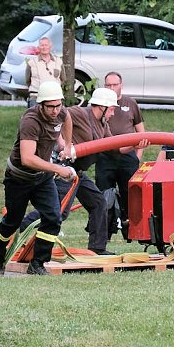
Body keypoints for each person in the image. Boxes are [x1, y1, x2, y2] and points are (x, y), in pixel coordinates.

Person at [0, 81, 75, 277]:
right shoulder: (31, 121)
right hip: (19, 178)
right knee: (12, 221)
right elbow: (28, 159)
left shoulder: (61, 111)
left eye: (58, 105)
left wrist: (67, 145)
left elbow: (67, 119)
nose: (55, 111)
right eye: (50, 107)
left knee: (53, 217)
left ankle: (37, 264)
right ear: (41, 105)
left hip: (42, 177)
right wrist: (57, 169)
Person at [55, 87, 117, 255]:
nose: (113, 113)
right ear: (102, 107)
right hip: (65, 171)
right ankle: (19, 228)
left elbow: (114, 147)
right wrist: (64, 145)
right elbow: (57, 117)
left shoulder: (103, 125)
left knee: (98, 202)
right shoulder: (80, 113)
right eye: (111, 109)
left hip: (78, 173)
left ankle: (97, 249)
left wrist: (136, 143)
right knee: (57, 211)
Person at [96, 71, 148, 234]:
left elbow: (141, 133)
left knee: (130, 195)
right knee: (104, 194)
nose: (111, 87)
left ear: (121, 85)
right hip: (105, 156)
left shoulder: (130, 103)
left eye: (114, 84)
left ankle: (131, 230)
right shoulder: (100, 104)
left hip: (128, 156)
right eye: (108, 85)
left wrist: (136, 158)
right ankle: (106, 231)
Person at [24, 36, 64, 107]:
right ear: (38, 47)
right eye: (42, 45)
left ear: (50, 46)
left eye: (46, 45)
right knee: (34, 117)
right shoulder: (31, 62)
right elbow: (27, 80)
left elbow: (63, 79)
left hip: (54, 98)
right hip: (36, 97)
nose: (44, 47)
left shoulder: (58, 61)